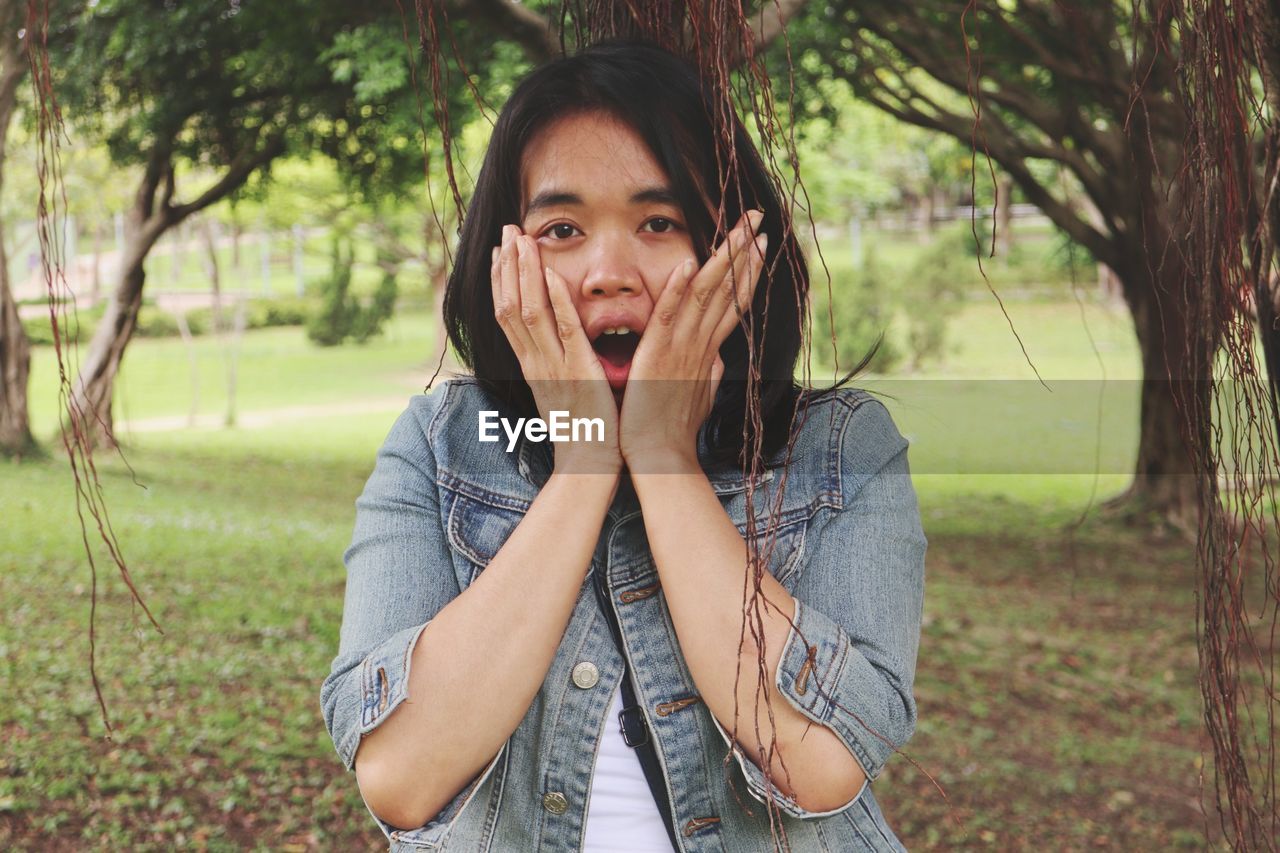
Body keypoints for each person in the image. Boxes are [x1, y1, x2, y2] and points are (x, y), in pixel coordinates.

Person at [320, 39, 927, 853]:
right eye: (563, 227)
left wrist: (665, 457)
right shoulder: (436, 449)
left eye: (659, 221)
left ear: (734, 252)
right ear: (505, 261)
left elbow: (819, 761)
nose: (609, 271)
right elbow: (400, 774)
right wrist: (585, 462)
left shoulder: (844, 448)